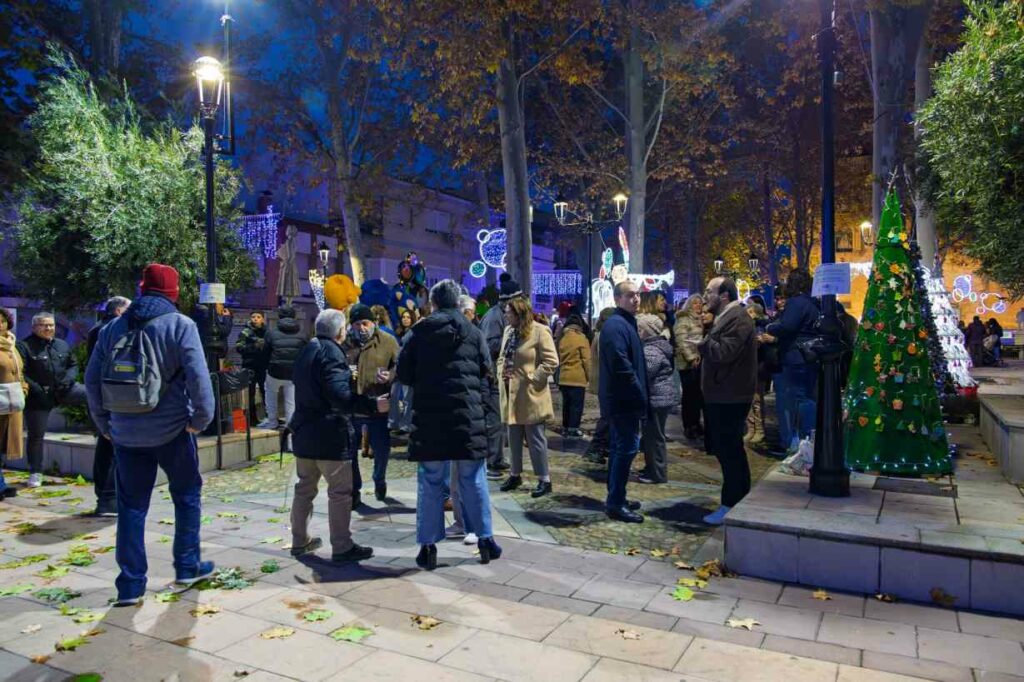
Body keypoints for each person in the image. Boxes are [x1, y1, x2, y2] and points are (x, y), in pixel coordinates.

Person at [84, 263, 216, 606]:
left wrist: (105, 425)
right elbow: (199, 380)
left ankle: (130, 585)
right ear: (173, 292)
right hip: (173, 430)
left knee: (131, 507)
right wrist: (199, 421)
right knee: (186, 495)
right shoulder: (180, 325)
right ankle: (187, 566)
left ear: (142, 289)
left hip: (125, 434)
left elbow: (92, 380)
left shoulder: (112, 327)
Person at [399, 280, 502, 569]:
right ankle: (485, 539)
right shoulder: (473, 332)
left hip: (430, 418)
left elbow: (404, 374)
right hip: (467, 418)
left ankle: (428, 546)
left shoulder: (418, 333)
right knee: (473, 480)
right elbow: (486, 370)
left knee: (431, 482)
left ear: (432, 303)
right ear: (458, 303)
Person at [288, 308, 374, 563]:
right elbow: (340, 396)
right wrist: (369, 405)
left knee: (304, 489)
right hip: (329, 434)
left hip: (304, 432)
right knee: (339, 492)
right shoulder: (332, 353)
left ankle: (299, 540)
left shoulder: (308, 349)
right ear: (339, 331)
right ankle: (342, 545)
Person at [699, 276, 757, 526]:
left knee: (730, 450)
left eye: (709, 291)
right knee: (726, 450)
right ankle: (735, 501)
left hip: (730, 396)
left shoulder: (738, 318)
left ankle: (732, 503)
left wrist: (703, 343)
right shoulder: (726, 317)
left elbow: (724, 352)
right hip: (722, 394)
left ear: (724, 295)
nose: (704, 297)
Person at [498, 294, 558, 498]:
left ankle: (544, 479)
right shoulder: (508, 331)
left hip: (531, 394)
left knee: (535, 438)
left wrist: (534, 378)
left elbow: (551, 361)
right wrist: (501, 373)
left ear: (519, 313)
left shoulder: (540, 331)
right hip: (510, 391)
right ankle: (515, 474)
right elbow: (503, 357)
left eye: (508, 312)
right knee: (513, 436)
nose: (506, 315)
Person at [18, 311, 86, 487]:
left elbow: (73, 364)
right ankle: (35, 472)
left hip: (64, 390)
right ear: (34, 327)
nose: (48, 328)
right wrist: (37, 390)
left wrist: (69, 379)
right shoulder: (24, 346)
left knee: (92, 395)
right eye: (43, 325)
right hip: (38, 397)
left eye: (51, 325)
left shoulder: (62, 344)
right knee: (36, 436)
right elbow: (21, 372)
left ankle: (104, 435)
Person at [599, 280, 648, 523]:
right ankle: (615, 502)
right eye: (630, 295)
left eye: (637, 295)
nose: (636, 299)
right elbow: (622, 366)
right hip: (622, 401)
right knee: (625, 449)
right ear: (618, 299)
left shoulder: (624, 323)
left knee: (622, 449)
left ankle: (617, 496)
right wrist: (639, 394)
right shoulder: (616, 325)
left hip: (625, 400)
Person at [344, 303, 399, 503]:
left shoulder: (388, 341)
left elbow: (400, 366)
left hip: (378, 405)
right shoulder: (346, 343)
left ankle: (379, 478)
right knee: (350, 452)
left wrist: (390, 375)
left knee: (382, 449)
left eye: (365, 323)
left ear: (373, 322)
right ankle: (354, 490)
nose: (361, 328)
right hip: (353, 405)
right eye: (357, 324)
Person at [763, 269, 820, 453]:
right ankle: (808, 440)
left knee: (797, 400)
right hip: (809, 356)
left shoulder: (796, 303)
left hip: (795, 357)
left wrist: (771, 327)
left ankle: (801, 444)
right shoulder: (813, 303)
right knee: (807, 397)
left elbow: (787, 326)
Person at [85, 296, 131, 516]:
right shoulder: (106, 331)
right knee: (109, 448)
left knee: (108, 448)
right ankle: (107, 498)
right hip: (108, 398)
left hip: (106, 397)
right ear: (120, 311)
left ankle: (106, 496)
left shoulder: (102, 328)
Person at [479, 273, 517, 478]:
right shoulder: (494, 318)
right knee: (493, 421)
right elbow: (488, 346)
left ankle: (497, 457)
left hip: (498, 376)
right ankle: (490, 461)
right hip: (491, 376)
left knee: (500, 420)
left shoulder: (502, 316)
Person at [637, 313, 678, 484]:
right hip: (659, 397)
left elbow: (646, 372)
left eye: (640, 328)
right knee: (652, 435)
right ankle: (652, 468)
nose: (637, 331)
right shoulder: (656, 346)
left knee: (655, 436)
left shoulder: (652, 350)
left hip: (657, 398)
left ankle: (658, 473)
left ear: (648, 331)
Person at [259, 306, 307, 430]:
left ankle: (272, 421)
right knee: (291, 402)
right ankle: (290, 427)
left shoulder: (271, 332)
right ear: (294, 317)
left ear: (279, 317)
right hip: (293, 373)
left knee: (270, 393)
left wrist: (265, 367)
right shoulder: (302, 334)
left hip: (275, 371)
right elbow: (306, 354)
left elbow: (265, 353)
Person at [0, 307, 26, 500]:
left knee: (3, 446)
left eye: (3, 320)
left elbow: (20, 372)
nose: (1, 324)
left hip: (12, 403)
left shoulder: (12, 344)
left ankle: (1, 483)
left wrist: (24, 389)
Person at [584, 308, 616, 463]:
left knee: (608, 416)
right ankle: (595, 448)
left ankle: (603, 447)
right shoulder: (603, 335)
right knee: (607, 417)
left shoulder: (599, 334)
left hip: (602, 380)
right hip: (605, 381)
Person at [673, 295, 706, 442]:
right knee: (689, 395)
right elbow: (682, 340)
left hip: (700, 361)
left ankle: (697, 423)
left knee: (698, 395)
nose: (698, 305)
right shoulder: (684, 319)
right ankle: (689, 426)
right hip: (688, 363)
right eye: (695, 303)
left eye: (700, 303)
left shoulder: (702, 319)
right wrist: (691, 357)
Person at [557, 313, 591, 439]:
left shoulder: (562, 338)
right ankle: (573, 429)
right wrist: (589, 377)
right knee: (576, 405)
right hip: (577, 377)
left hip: (564, 377)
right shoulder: (581, 338)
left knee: (566, 404)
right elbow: (586, 360)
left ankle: (565, 427)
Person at [235, 311, 268, 425]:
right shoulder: (245, 332)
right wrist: (253, 346)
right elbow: (239, 347)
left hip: (263, 366)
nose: (255, 319)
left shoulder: (267, 332)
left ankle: (269, 416)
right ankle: (252, 419)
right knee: (251, 393)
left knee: (266, 392)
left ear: (262, 319)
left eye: (258, 317)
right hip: (249, 366)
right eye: (253, 317)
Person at [744, 301, 769, 445]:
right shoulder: (746, 327)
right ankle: (751, 428)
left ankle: (760, 430)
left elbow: (759, 344)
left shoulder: (761, 326)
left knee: (757, 399)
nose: (750, 315)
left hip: (758, 367)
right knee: (748, 399)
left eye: (752, 312)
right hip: (746, 367)